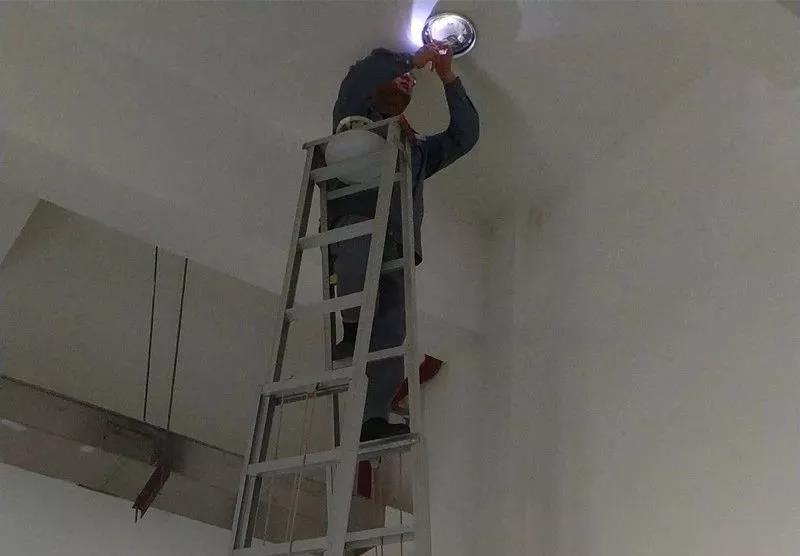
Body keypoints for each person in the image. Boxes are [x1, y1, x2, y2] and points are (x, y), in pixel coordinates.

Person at [328, 44, 479, 441]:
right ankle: (351, 327)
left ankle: (372, 419)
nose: (409, 82)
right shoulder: (355, 123)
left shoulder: (414, 152)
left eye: (408, 81)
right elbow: (362, 76)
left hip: (397, 246)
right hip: (359, 221)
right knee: (356, 268)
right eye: (400, 80)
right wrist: (409, 59)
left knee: (392, 343)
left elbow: (465, 135)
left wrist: (448, 79)